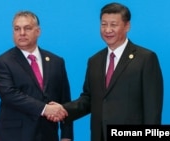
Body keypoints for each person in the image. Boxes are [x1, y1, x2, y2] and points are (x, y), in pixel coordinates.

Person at [48, 2, 163, 141]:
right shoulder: (94, 60)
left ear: (127, 26)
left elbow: (152, 108)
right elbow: (88, 99)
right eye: (103, 24)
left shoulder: (145, 58)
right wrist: (64, 109)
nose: (107, 30)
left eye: (113, 25)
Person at [0, 11, 73, 141]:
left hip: (48, 135)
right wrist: (45, 109)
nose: (22, 33)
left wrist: (66, 136)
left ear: (38, 31)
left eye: (27, 28)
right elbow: (10, 95)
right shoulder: (2, 63)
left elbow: (64, 100)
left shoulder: (56, 61)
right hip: (14, 136)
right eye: (17, 29)